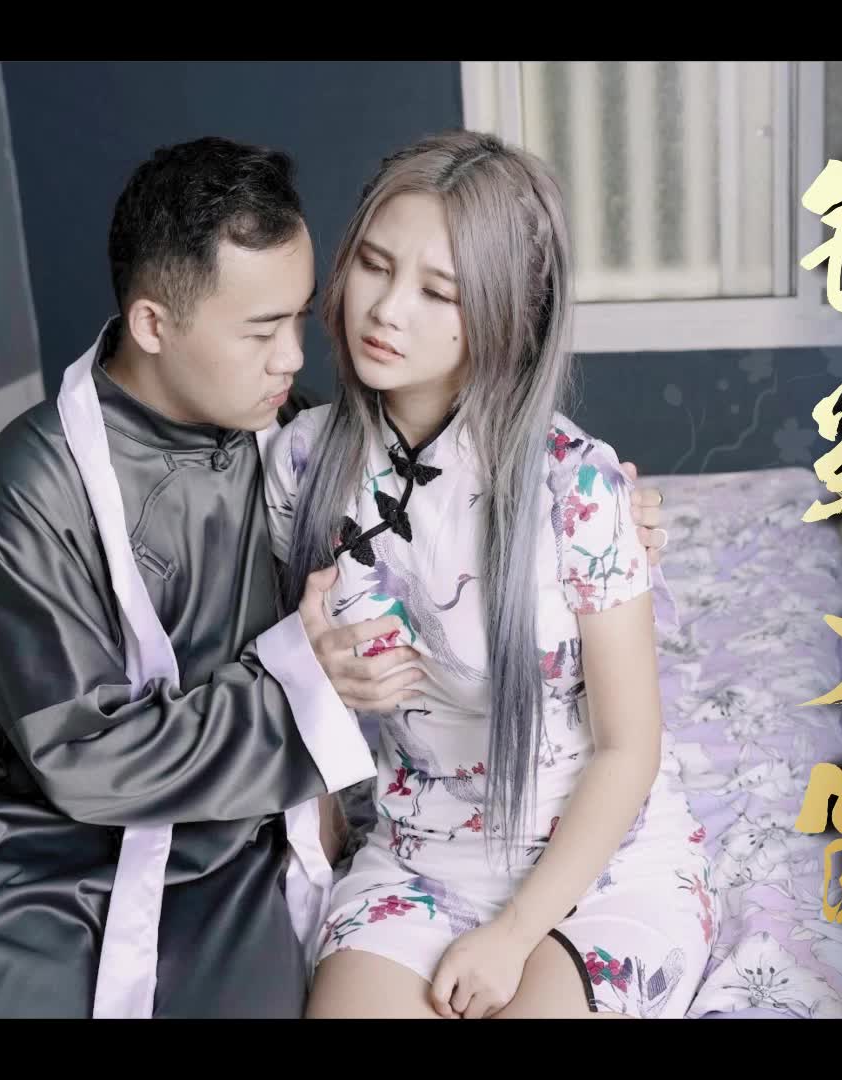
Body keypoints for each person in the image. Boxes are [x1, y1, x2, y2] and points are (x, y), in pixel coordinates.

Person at [0, 136, 671, 1019]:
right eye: (264, 330)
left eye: (299, 319)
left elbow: (443, 510)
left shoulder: (286, 438)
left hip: (247, 817)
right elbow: (80, 750)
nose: (296, 357)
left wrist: (605, 519)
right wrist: (305, 687)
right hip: (52, 836)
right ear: (155, 326)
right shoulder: (41, 488)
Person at [267, 131, 716, 1020]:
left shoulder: (577, 486)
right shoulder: (303, 463)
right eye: (375, 266)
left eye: (438, 292)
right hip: (413, 859)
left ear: (507, 315)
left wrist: (512, 937)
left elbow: (629, 748)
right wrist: (308, 672)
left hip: (600, 868)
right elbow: (282, 698)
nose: (385, 309)